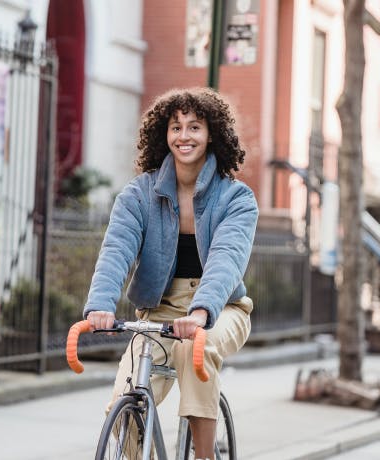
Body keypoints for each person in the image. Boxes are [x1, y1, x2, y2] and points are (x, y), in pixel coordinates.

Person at [83, 87, 258, 459]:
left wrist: (200, 312)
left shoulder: (236, 199)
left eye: (194, 127)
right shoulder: (139, 195)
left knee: (194, 346)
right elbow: (116, 249)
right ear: (164, 134)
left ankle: (204, 455)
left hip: (221, 308)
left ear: (212, 134)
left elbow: (227, 258)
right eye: (176, 127)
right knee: (124, 397)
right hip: (159, 311)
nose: (184, 136)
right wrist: (100, 304)